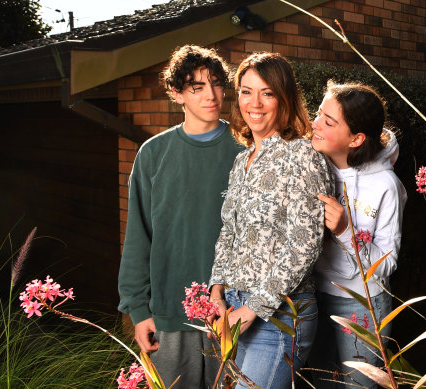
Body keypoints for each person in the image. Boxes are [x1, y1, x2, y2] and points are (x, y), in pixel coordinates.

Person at [117, 45, 242, 388]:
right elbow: (138, 236)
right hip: (170, 314)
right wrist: (138, 311)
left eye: (217, 83)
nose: (212, 95)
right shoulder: (153, 154)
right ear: (177, 94)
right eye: (197, 87)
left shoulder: (246, 150)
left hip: (232, 315)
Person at [208, 52, 334, 389]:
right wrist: (217, 291)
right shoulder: (243, 160)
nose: (255, 103)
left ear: (285, 98)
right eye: (246, 92)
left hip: (278, 317)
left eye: (267, 93)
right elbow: (230, 231)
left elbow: (305, 245)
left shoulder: (302, 155)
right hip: (233, 307)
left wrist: (250, 311)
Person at [308, 82, 407, 389]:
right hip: (312, 297)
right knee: (317, 382)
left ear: (356, 138)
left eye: (328, 121)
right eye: (318, 114)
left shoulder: (386, 186)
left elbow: (387, 265)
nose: (315, 124)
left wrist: (344, 230)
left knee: (358, 387)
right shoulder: (312, 165)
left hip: (360, 305)